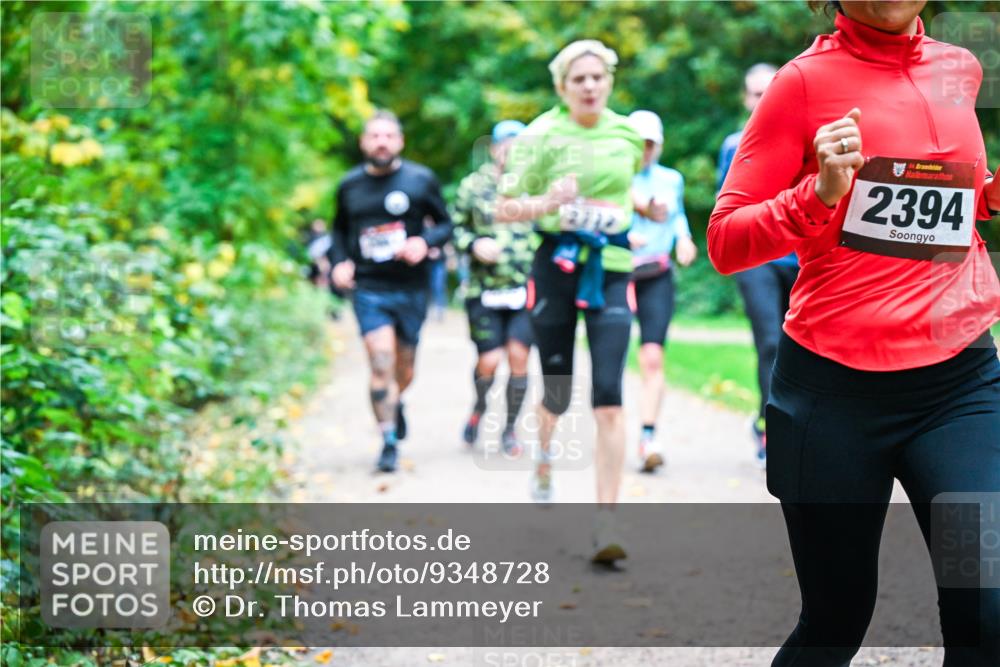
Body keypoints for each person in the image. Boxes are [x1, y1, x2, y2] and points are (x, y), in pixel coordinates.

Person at [708, 2, 1000, 665]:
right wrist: (817, 192)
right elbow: (725, 241)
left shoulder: (961, 69)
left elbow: (951, 203)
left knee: (986, 601)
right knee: (836, 618)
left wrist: (992, 195)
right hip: (833, 393)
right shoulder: (802, 83)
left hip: (959, 386)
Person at [495, 40, 643, 563]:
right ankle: (543, 456)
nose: (589, 86)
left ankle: (606, 523)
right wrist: (549, 202)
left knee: (609, 393)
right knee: (556, 388)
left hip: (611, 270)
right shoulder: (539, 135)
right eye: (578, 79)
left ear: (609, 81)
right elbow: (505, 208)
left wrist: (647, 204)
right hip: (555, 268)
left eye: (597, 77)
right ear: (562, 86)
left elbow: (628, 192)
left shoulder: (627, 133)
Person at [330, 110, 453, 473]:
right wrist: (340, 262)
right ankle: (388, 441)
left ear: (399, 141)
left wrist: (423, 240)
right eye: (374, 136)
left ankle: (397, 402)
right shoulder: (349, 186)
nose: (381, 142)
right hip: (369, 288)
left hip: (412, 287)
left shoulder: (420, 180)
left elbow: (445, 224)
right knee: (380, 361)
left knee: (405, 369)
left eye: (388, 136)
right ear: (363, 142)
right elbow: (339, 233)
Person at [717, 62, 798, 468]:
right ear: (745, 99)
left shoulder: (806, 137)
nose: (761, 100)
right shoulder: (734, 145)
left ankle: (778, 419)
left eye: (769, 91)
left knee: (799, 346)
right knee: (770, 341)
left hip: (801, 257)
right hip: (757, 258)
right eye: (754, 93)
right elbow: (726, 210)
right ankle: (772, 431)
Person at [453, 120, 536, 456]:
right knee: (488, 360)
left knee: (519, 358)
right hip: (483, 289)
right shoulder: (473, 186)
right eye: (506, 143)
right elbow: (455, 228)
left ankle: (510, 429)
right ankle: (479, 407)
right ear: (494, 148)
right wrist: (473, 244)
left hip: (524, 288)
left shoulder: (537, 185)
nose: (511, 150)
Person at [626, 110, 697, 472]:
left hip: (656, 274)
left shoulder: (671, 180)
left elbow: (678, 215)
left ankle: (648, 436)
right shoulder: (613, 177)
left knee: (652, 358)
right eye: (639, 143)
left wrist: (683, 239)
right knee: (610, 362)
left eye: (650, 144)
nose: (645, 150)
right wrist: (624, 237)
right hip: (618, 276)